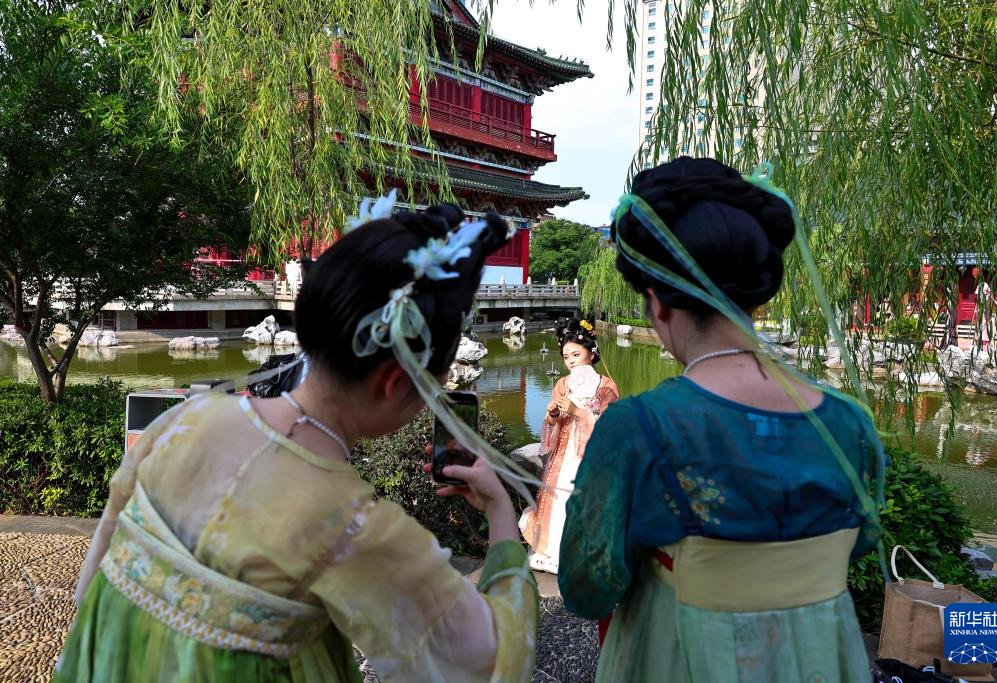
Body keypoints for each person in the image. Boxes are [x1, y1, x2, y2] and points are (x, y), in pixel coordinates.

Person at [55, 199, 538, 683]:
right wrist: (499, 508)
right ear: (394, 382)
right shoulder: (349, 525)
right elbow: (487, 662)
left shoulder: (185, 419)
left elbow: (95, 573)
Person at [558, 157, 885, 682]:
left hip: (680, 657)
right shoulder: (850, 422)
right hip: (822, 658)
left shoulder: (639, 427)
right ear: (758, 295)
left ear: (658, 302)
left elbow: (586, 587)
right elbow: (860, 541)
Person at [519, 319, 619, 573]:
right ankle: (553, 551)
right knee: (559, 499)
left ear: (591, 353)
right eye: (566, 357)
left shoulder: (606, 386)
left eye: (576, 354)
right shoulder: (562, 384)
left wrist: (577, 411)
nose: (571, 361)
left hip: (591, 457)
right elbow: (551, 423)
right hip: (563, 456)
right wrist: (553, 414)